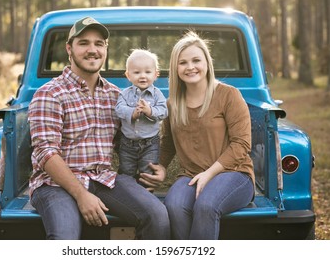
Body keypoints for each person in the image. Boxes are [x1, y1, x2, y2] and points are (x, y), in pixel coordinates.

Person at [28, 16, 170, 240]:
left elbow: (133, 139)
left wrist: (157, 166)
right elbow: (46, 153)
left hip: (104, 179)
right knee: (64, 236)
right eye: (83, 43)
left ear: (105, 49)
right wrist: (81, 195)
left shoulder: (116, 95)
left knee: (158, 216)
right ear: (69, 48)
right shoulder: (50, 93)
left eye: (98, 43)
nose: (92, 50)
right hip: (55, 184)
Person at [140, 31, 255, 240]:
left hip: (234, 174)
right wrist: (162, 167)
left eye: (196, 60)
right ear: (176, 68)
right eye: (183, 62)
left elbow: (242, 144)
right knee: (173, 205)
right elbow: (168, 143)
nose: (190, 67)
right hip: (191, 175)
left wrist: (210, 174)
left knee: (206, 205)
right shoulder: (172, 104)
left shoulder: (228, 95)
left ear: (207, 63)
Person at [115, 49, 168, 182]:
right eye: (137, 72)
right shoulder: (124, 94)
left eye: (148, 72)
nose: (142, 76)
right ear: (128, 75)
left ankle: (145, 197)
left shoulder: (157, 95)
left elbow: (163, 111)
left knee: (147, 173)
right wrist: (132, 113)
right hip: (127, 144)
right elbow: (118, 109)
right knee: (126, 172)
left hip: (150, 144)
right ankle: (127, 198)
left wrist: (150, 111)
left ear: (156, 74)